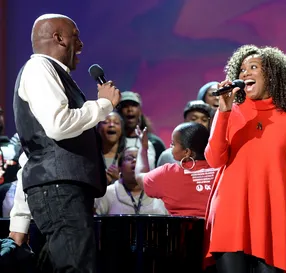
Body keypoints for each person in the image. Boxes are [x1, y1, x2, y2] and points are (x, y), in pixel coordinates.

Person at [10, 13, 120, 273]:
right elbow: (59, 125)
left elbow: (34, 155)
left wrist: (20, 221)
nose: (80, 45)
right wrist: (103, 105)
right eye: (76, 37)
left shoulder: (54, 75)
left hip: (60, 192)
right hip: (59, 192)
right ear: (58, 38)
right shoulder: (39, 68)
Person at [204, 45, 286, 273]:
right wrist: (223, 113)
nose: (245, 74)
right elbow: (214, 160)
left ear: (271, 75)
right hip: (231, 214)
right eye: (242, 69)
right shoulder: (229, 112)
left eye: (254, 67)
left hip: (275, 218)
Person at [135, 122, 217, 217]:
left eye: (173, 144)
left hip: (183, 231)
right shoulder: (222, 171)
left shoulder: (167, 174)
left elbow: (139, 176)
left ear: (186, 152)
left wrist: (143, 148)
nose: (170, 147)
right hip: (220, 231)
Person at [95, 146, 168, 215]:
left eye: (139, 158)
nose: (135, 160)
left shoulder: (161, 195)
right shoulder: (107, 194)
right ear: (119, 168)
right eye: (129, 158)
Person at [116, 91, 166, 167]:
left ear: (140, 111)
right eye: (125, 106)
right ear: (119, 112)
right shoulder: (112, 143)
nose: (130, 109)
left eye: (134, 105)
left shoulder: (154, 142)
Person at [157, 100, 213, 166]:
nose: (199, 122)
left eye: (204, 120)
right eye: (193, 119)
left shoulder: (215, 153)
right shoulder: (167, 156)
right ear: (185, 121)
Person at [98, 111, 126, 185]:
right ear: (98, 128)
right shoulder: (90, 156)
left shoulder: (128, 157)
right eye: (106, 122)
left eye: (116, 123)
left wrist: (119, 179)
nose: (111, 125)